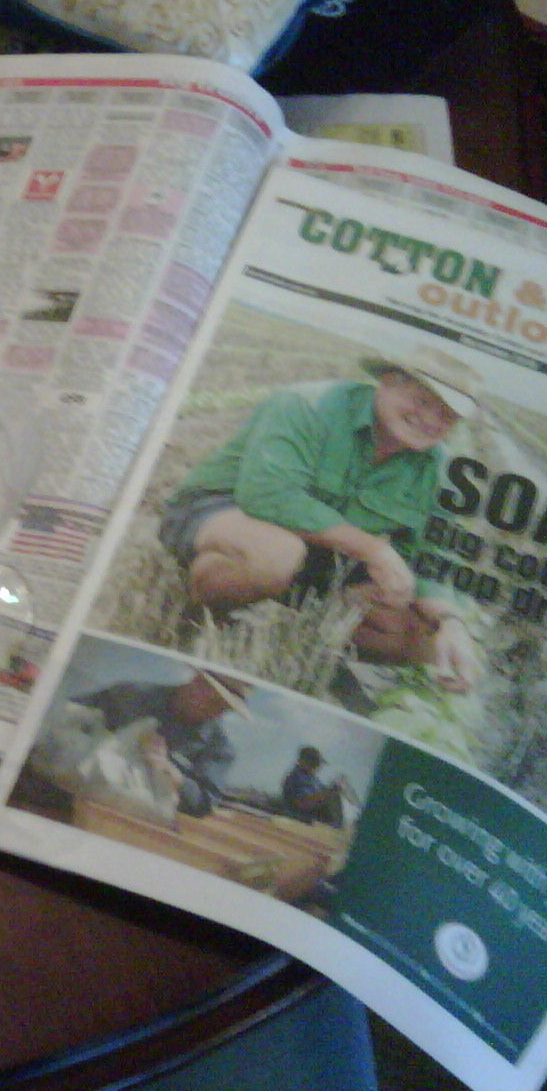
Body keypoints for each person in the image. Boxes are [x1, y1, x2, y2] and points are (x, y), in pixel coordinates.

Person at [159, 344, 482, 693]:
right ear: (388, 381)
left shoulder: (437, 468)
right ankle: (199, 621)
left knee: (426, 639)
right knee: (276, 555)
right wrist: (375, 550)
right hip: (228, 514)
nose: (431, 420)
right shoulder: (307, 405)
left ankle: (294, 647)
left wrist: (450, 621)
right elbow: (268, 495)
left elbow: (432, 555)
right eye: (421, 401)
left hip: (327, 551)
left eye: (446, 415)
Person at [70, 666, 248, 816]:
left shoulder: (219, 749)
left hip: (134, 818)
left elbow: (204, 805)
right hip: (74, 790)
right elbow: (66, 714)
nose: (216, 713)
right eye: (215, 701)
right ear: (197, 681)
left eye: (226, 708)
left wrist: (169, 772)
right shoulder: (130, 693)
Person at [280, 745, 345, 828]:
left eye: (317, 764)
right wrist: (327, 794)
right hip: (300, 819)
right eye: (314, 763)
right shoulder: (296, 778)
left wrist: (333, 788)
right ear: (303, 762)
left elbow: (323, 791)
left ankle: (337, 827)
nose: (317, 767)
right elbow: (303, 802)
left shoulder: (313, 779)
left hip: (314, 819)